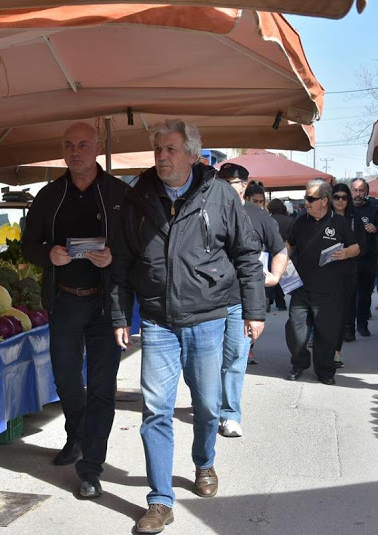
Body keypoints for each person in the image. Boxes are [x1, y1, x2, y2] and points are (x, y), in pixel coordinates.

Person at [109, 119, 266, 534]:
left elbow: (248, 254)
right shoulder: (138, 196)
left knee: (208, 405)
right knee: (156, 409)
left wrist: (255, 310)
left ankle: (204, 461)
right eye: (158, 149)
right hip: (157, 320)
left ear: (193, 155)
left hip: (208, 317)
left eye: (171, 149)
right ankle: (160, 499)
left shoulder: (219, 194)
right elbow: (122, 262)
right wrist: (120, 315)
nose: (162, 157)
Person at [22, 122, 128, 498]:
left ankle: (91, 466)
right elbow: (27, 245)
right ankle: (75, 435)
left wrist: (114, 257)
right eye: (68, 145)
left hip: (105, 304)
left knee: (101, 386)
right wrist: (46, 254)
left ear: (97, 147)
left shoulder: (118, 193)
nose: (76, 151)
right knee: (67, 378)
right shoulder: (49, 195)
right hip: (64, 299)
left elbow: (138, 246)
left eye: (83, 144)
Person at [216, 162, 287, 438]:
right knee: (205, 360)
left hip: (239, 302)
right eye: (220, 181)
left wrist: (275, 277)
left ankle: (229, 413)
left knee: (234, 357)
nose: (223, 187)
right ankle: (211, 404)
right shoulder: (206, 210)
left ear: (243, 186)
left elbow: (280, 250)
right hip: (206, 301)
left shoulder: (257, 216)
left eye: (229, 183)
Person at [285, 179, 360, 385]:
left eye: (311, 198)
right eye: (306, 198)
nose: (306, 202)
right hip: (301, 287)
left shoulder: (340, 223)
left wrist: (344, 252)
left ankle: (325, 370)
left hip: (329, 290)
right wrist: (281, 259)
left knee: (327, 333)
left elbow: (356, 248)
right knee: (295, 328)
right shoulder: (300, 221)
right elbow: (289, 244)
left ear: (324, 201)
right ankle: (299, 363)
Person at [350, 179, 378, 337]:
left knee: (365, 294)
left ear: (366, 192)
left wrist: (376, 228)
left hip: (367, 258)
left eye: (361, 190)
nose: (358, 194)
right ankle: (348, 328)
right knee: (349, 294)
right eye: (355, 190)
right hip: (347, 259)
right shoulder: (344, 208)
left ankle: (362, 324)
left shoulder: (374, 209)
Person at [330, 183, 360, 367]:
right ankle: (322, 344)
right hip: (324, 271)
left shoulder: (355, 219)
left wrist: (348, 252)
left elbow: (363, 245)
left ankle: (335, 351)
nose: (340, 200)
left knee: (340, 314)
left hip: (347, 271)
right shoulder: (323, 218)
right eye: (337, 197)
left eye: (344, 197)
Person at [266, 197, 293, 311]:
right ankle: (281, 303)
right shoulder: (290, 220)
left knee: (271, 277)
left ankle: (267, 302)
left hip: (271, 251)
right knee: (282, 277)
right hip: (286, 251)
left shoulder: (268, 220)